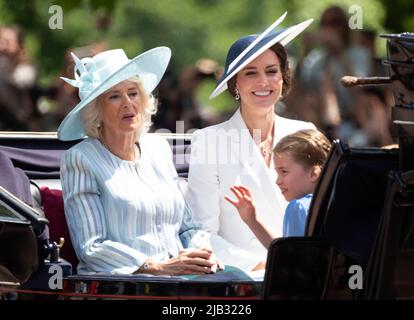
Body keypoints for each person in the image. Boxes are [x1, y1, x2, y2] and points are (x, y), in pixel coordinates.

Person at [58, 47, 223, 275]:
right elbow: (91, 247)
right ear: (96, 109)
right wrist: (155, 267)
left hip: (180, 281)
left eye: (133, 93)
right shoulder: (80, 159)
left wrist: (202, 254)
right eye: (114, 96)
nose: (128, 103)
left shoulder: (159, 148)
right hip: (122, 288)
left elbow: (188, 227)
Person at [185, 13, 316, 271]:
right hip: (241, 280)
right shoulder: (209, 141)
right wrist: (260, 264)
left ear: (283, 78)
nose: (263, 82)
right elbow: (201, 233)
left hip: (306, 276)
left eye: (271, 71)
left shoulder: (305, 132)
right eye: (251, 73)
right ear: (235, 84)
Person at [225, 129, 331, 248]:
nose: (277, 181)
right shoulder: (337, 203)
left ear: (313, 173)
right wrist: (252, 220)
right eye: (277, 173)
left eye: (284, 172)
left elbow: (289, 261)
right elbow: (283, 252)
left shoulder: (299, 207)